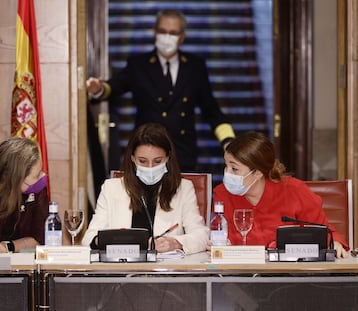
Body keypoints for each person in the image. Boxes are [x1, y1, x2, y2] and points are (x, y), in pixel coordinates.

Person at [86, 9, 235, 172]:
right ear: (155, 33)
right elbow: (113, 87)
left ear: (182, 37)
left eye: (173, 33)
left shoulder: (195, 67)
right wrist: (98, 89)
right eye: (163, 32)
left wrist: (228, 141)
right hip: (146, 154)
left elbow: (211, 109)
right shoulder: (139, 65)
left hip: (182, 155)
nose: (167, 37)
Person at [212, 131, 349, 258]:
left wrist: (335, 244)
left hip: (290, 275)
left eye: (234, 168)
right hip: (240, 277)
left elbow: (324, 233)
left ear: (258, 173)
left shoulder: (295, 190)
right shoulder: (222, 194)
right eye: (226, 166)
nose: (227, 173)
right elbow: (220, 241)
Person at [82, 123, 209, 254]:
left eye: (157, 161)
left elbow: (202, 235)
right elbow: (88, 238)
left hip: (165, 270)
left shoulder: (183, 189)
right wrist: (107, 240)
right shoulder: (111, 188)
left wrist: (175, 242)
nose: (150, 167)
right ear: (132, 158)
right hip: (121, 269)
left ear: (167, 158)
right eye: (142, 161)